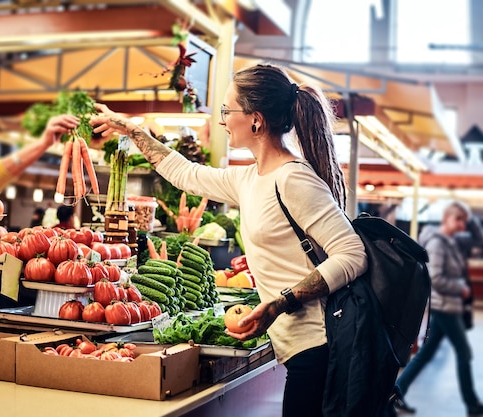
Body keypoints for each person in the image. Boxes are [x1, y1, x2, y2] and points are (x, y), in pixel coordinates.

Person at [91, 63, 367, 416]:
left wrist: (279, 303)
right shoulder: (250, 178)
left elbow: (353, 254)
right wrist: (132, 130)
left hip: (319, 348)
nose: (221, 119)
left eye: (226, 110)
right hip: (298, 350)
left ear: (255, 119)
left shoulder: (294, 179)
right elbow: (185, 174)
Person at [393, 201, 483, 417]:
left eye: (464, 221)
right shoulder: (438, 244)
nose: (462, 225)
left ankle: (395, 395)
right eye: (458, 220)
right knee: (464, 353)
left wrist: (470, 215)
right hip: (445, 307)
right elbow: (436, 278)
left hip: (446, 307)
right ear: (447, 218)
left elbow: (478, 240)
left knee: (424, 354)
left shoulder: (453, 240)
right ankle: (472, 404)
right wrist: (460, 288)